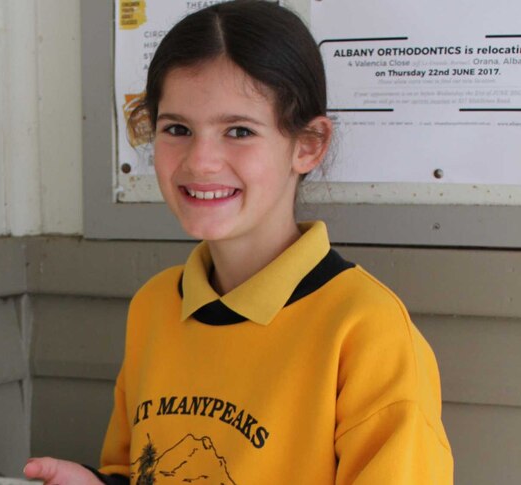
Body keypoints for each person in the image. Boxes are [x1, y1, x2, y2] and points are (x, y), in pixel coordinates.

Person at [25, 1, 453, 483]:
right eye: (177, 129)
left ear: (307, 145)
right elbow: (140, 471)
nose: (201, 161)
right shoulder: (154, 306)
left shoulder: (367, 331)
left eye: (239, 131)